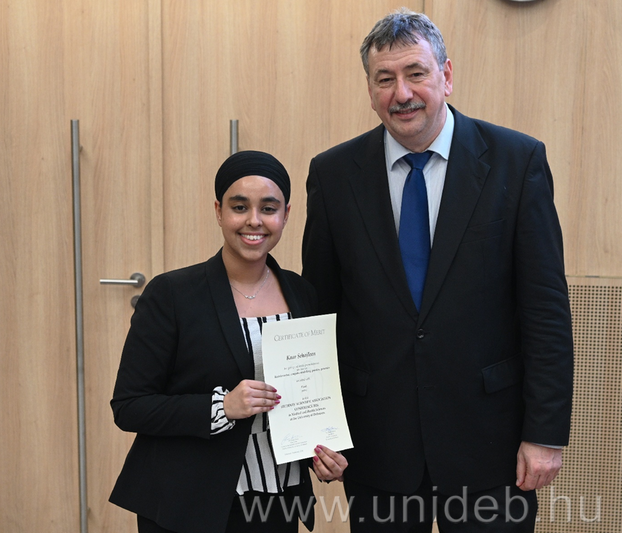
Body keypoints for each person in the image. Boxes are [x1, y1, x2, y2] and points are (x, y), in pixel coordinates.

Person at [301, 8, 573, 532]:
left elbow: (545, 311)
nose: (401, 93)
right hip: (377, 444)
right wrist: (318, 428)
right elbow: (320, 312)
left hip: (490, 445)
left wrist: (544, 433)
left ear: (446, 75)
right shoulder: (333, 175)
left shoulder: (517, 162)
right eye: (385, 79)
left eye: (416, 73)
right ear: (370, 90)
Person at [110, 150, 348, 533]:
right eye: (240, 207)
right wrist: (222, 407)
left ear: (286, 214)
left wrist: (321, 452)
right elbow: (130, 406)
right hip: (189, 502)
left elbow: (305, 395)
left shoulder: (303, 293)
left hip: (277, 497)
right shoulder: (172, 294)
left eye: (268, 208)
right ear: (219, 211)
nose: (254, 220)